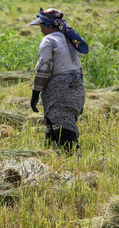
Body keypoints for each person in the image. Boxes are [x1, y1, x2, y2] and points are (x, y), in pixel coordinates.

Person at [28, 8, 88, 153]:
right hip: (77, 88)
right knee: (56, 125)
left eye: (42, 26)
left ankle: (73, 158)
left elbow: (44, 69)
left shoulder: (48, 41)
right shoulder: (71, 39)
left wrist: (35, 93)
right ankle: (50, 153)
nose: (41, 29)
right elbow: (79, 70)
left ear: (48, 26)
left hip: (59, 90)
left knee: (64, 132)